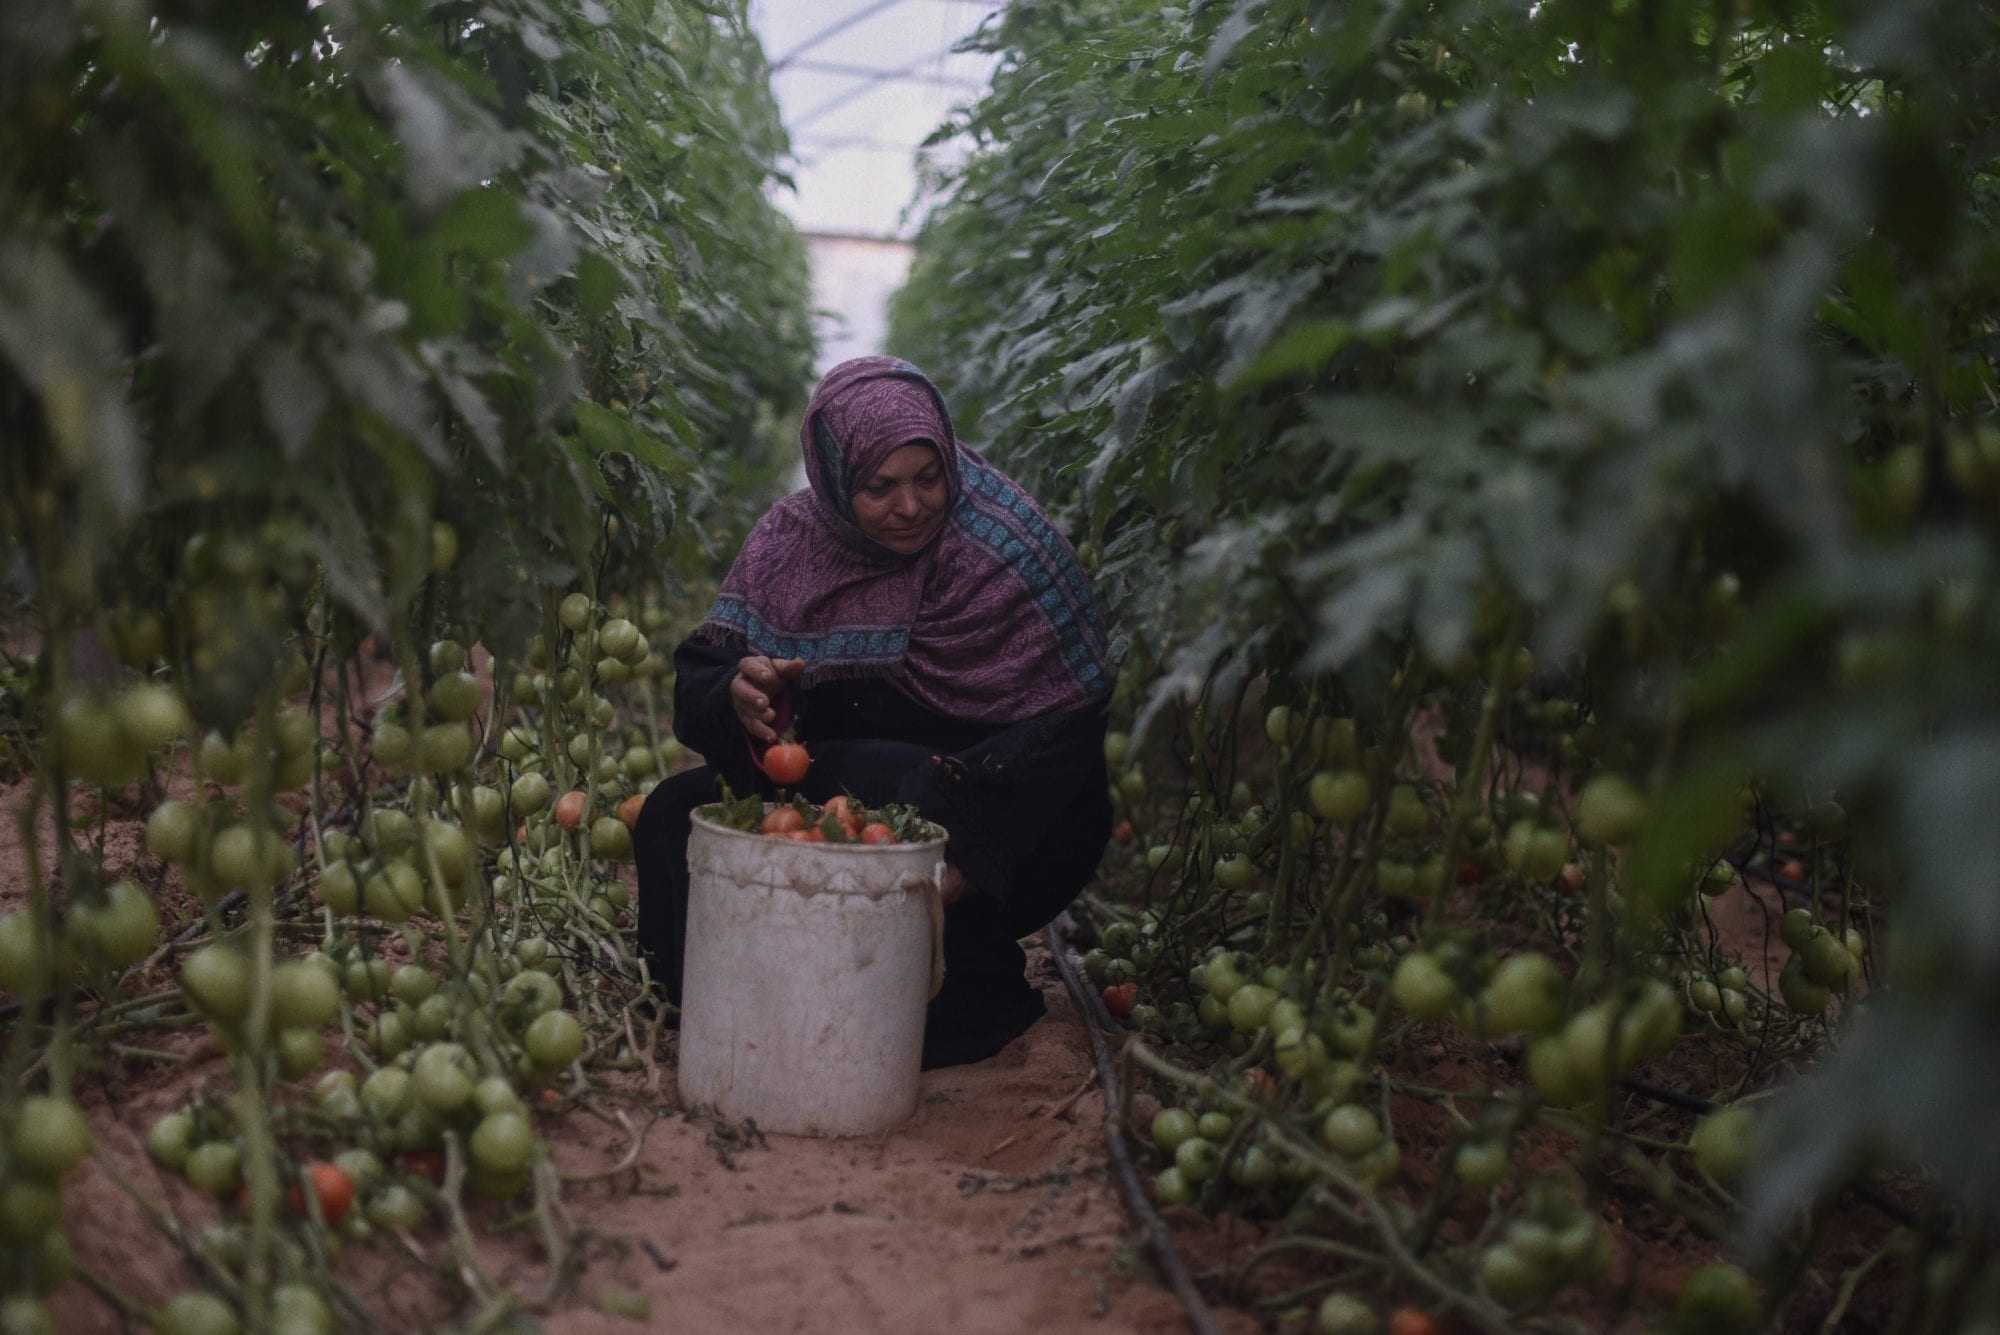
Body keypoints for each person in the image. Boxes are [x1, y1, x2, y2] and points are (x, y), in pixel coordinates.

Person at [633, 356, 1117, 1069]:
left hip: (989, 811)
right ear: (833, 482)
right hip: (840, 796)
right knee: (673, 811)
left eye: (929, 477)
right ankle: (725, 1002)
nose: (913, 505)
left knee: (908, 809)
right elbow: (702, 678)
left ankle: (953, 995)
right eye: (879, 487)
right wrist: (740, 695)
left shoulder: (1007, 548)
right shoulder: (792, 541)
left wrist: (971, 854)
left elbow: (1068, 728)